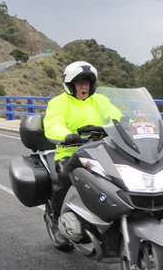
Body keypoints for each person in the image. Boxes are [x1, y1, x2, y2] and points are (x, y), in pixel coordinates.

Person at [43, 61, 122, 243]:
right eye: (79, 83)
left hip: (101, 150)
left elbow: (115, 115)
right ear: (70, 85)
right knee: (64, 177)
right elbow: (52, 125)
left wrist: (129, 122)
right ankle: (55, 220)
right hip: (70, 152)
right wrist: (67, 135)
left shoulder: (100, 101)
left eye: (86, 83)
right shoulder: (58, 103)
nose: (84, 87)